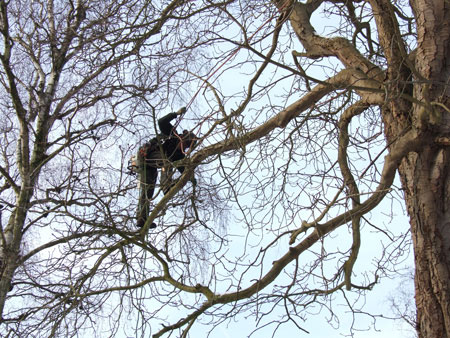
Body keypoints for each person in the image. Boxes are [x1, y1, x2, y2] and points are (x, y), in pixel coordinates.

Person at [136, 107, 197, 228]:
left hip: (153, 164)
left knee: (148, 189)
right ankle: (166, 186)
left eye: (186, 147)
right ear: (183, 137)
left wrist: (191, 178)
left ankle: (142, 219)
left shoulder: (179, 154)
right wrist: (176, 114)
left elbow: (183, 168)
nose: (184, 148)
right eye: (185, 144)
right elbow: (161, 122)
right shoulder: (172, 134)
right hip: (148, 154)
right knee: (166, 162)